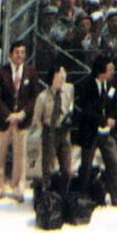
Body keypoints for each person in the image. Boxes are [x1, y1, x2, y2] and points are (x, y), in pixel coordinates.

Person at [0, 40, 36, 202]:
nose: (20, 55)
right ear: (10, 53)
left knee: (20, 156)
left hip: (21, 120)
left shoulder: (31, 71)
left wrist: (23, 113)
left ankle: (18, 187)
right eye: (17, 52)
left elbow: (34, 97)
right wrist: (8, 114)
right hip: (2, 120)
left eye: (23, 52)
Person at [75, 56, 117, 208]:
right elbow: (86, 109)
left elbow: (115, 103)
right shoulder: (87, 85)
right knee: (86, 164)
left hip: (106, 132)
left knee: (113, 162)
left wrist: (113, 118)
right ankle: (83, 194)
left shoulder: (111, 85)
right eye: (109, 69)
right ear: (100, 70)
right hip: (91, 131)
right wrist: (102, 120)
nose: (112, 72)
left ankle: (116, 196)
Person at [31, 62, 74, 192]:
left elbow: (71, 106)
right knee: (48, 166)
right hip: (50, 131)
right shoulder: (42, 97)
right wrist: (44, 131)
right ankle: (47, 193)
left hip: (64, 131)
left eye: (63, 74)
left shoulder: (69, 90)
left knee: (66, 167)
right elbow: (37, 118)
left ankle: (63, 192)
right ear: (52, 78)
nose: (63, 77)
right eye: (59, 75)